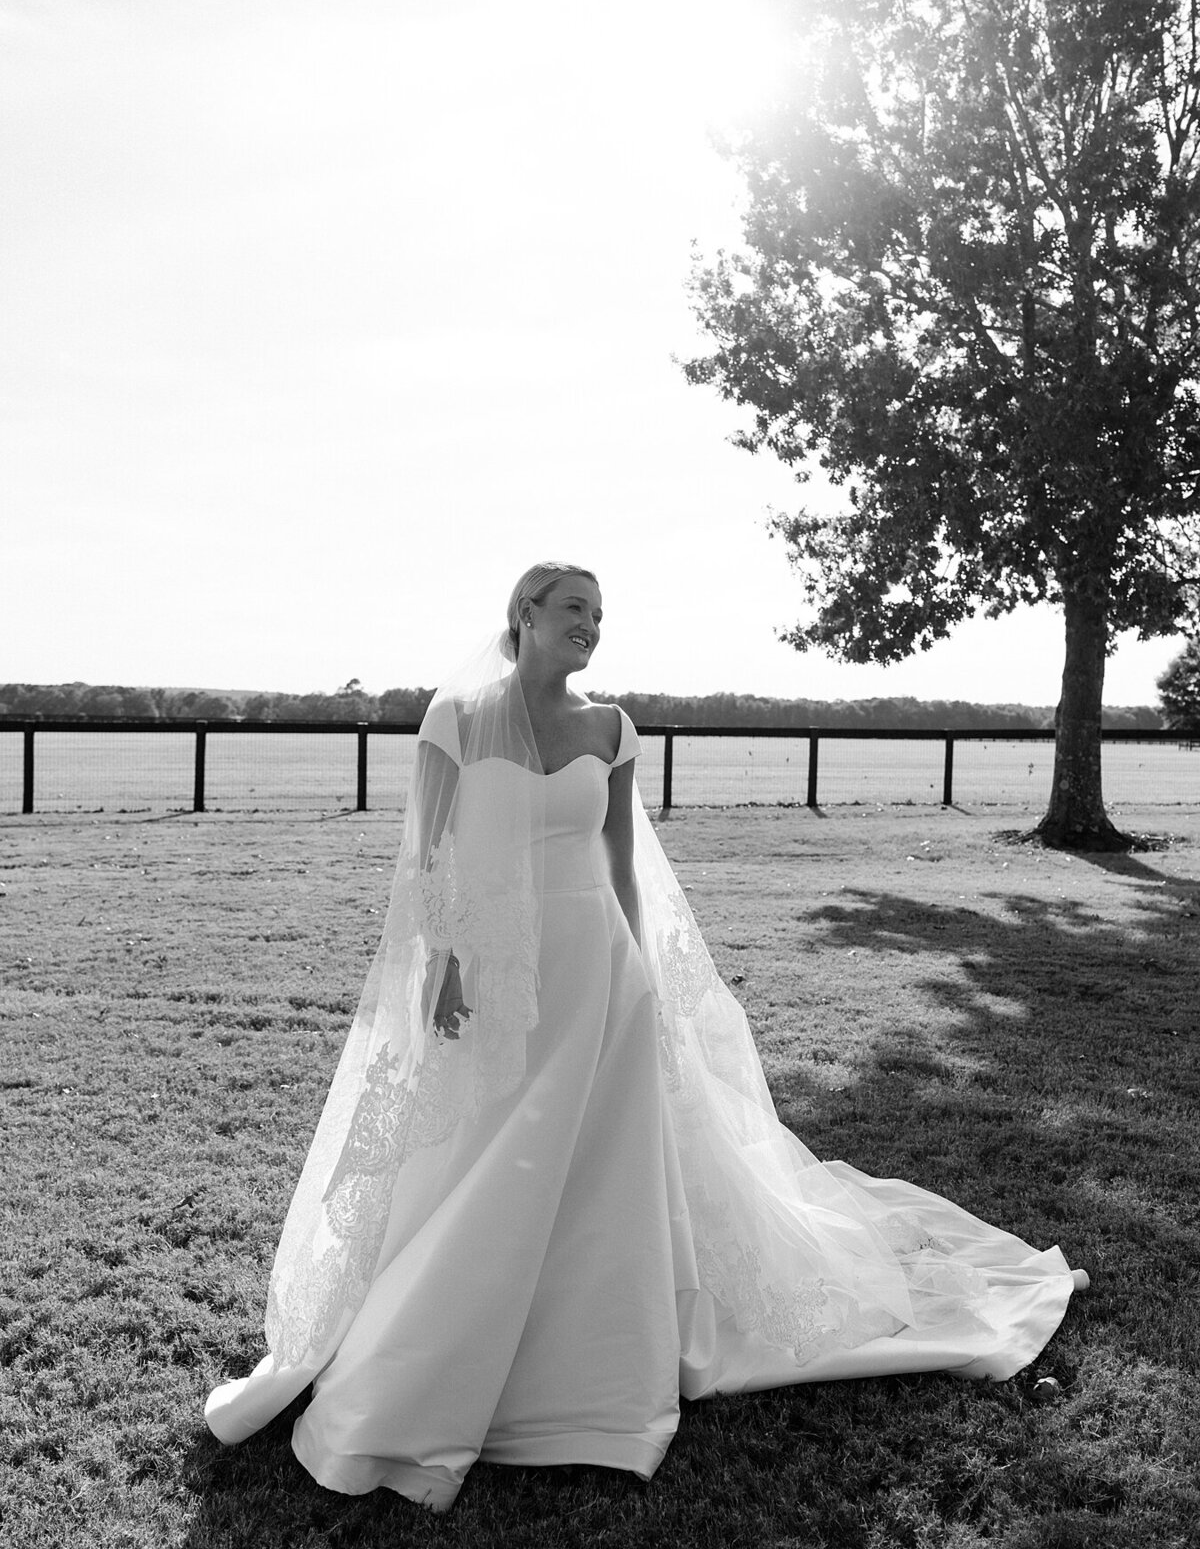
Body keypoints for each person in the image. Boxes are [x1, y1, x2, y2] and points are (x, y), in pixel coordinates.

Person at [205, 561, 1088, 1511]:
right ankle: (447, 1345)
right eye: (573, 609)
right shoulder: (453, 719)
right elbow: (427, 858)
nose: (590, 624)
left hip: (598, 968)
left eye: (600, 613)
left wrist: (645, 980)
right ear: (525, 616)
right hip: (496, 977)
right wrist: (445, 965)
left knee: (599, 1168)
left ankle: (596, 1369)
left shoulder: (613, 729)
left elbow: (622, 867)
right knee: (480, 1163)